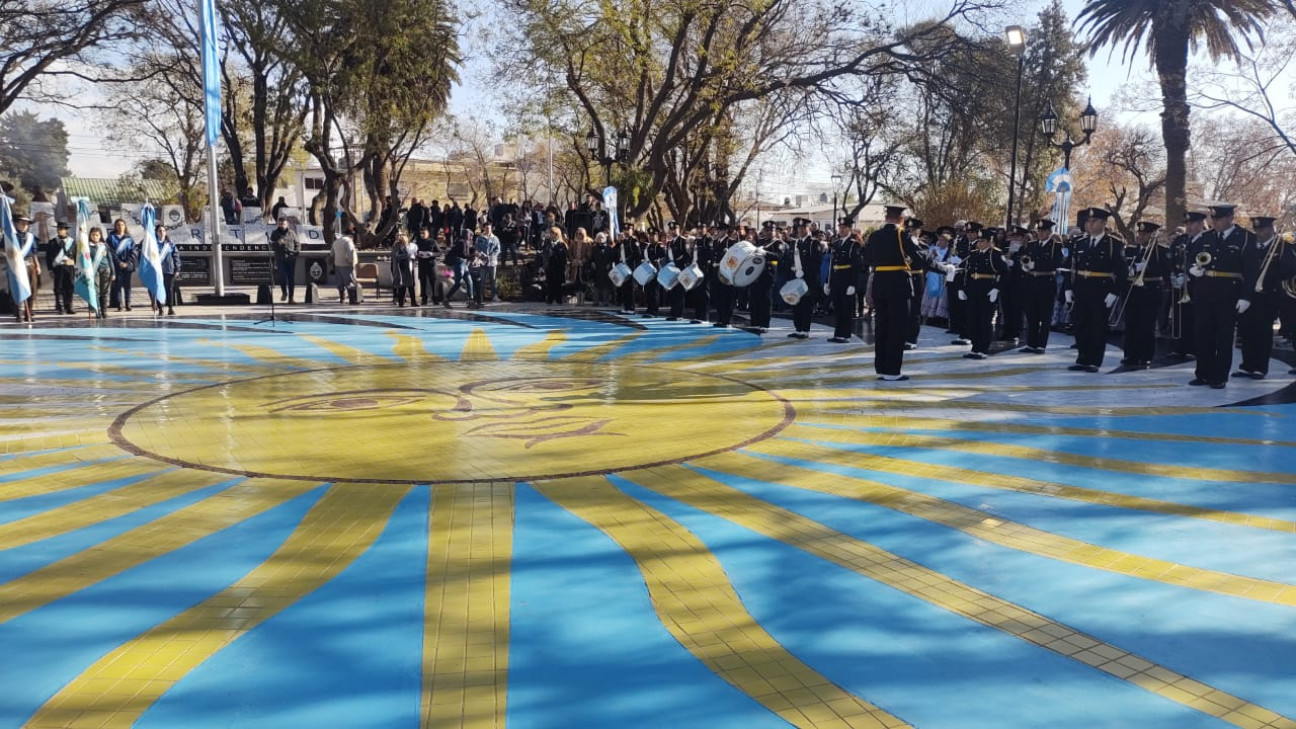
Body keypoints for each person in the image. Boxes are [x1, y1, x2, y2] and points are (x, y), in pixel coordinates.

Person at [1186, 204, 1251, 388]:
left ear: (1230, 218)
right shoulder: (1206, 237)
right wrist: (1192, 269)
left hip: (1229, 293)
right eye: (1213, 219)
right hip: (1205, 291)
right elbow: (1191, 256)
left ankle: (1220, 376)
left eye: (1219, 219)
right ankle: (1203, 373)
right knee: (1203, 334)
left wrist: (1246, 296)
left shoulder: (1244, 238)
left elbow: (1251, 270)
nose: (1216, 222)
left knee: (1223, 336)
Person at [1065, 207, 1127, 373]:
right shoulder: (1079, 243)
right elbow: (1072, 267)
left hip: (1101, 290)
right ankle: (1082, 358)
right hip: (1081, 288)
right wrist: (1068, 288)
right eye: (1087, 221)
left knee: (1097, 326)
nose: (1089, 224)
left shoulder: (1114, 244)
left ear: (1103, 223)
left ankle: (1094, 360)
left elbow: (1122, 271)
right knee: (1080, 324)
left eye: (1093, 221)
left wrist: (1114, 292)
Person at [865, 206, 922, 380]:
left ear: (886, 217)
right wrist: (945, 268)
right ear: (901, 219)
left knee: (882, 327)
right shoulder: (902, 235)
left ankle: (881, 368)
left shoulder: (874, 236)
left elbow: (866, 257)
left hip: (880, 284)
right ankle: (892, 371)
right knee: (896, 329)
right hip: (898, 285)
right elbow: (919, 257)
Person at [1236, 216, 1292, 379]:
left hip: (1268, 294)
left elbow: (1290, 268)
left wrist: (1268, 277)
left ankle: (1260, 367)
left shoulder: (1282, 246)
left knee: (1262, 331)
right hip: (1248, 294)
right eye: (1257, 230)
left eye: (1262, 229)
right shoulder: (1250, 245)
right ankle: (1247, 365)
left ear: (1271, 229)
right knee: (1246, 330)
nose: (1259, 233)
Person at [1120, 221, 1171, 368]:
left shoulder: (1160, 251)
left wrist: (1149, 267)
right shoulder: (1131, 250)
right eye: (1139, 233)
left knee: (1146, 326)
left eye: (1144, 234)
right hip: (1132, 291)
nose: (1141, 236)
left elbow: (1166, 270)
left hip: (1150, 291)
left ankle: (1146, 356)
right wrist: (1128, 270)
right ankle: (1130, 354)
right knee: (1131, 325)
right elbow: (1123, 266)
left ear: (1152, 235)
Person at [957, 229, 1007, 359]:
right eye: (978, 241)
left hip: (987, 289)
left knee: (985, 320)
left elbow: (1005, 273)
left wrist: (997, 288)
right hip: (973, 288)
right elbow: (967, 273)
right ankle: (975, 347)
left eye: (982, 241)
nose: (979, 243)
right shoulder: (973, 254)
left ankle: (983, 349)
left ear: (990, 241)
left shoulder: (996, 254)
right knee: (972, 319)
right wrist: (963, 288)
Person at [1019, 220, 1066, 354]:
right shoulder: (1032, 244)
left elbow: (1056, 263)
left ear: (1050, 232)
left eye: (1043, 230)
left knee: (1045, 315)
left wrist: (1036, 265)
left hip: (1046, 281)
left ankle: (1041, 345)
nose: (1040, 233)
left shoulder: (1055, 246)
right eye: (1039, 230)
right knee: (1031, 314)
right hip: (1031, 282)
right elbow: (1024, 257)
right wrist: (1025, 264)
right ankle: (1031, 343)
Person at [1169, 211, 1207, 360]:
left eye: (1192, 224)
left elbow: (1204, 263)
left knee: (1195, 318)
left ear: (1200, 224)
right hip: (1180, 284)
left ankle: (1194, 349)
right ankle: (1179, 348)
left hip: (1197, 286)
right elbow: (1173, 257)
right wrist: (1174, 274)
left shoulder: (1206, 240)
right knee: (1180, 317)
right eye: (1187, 224)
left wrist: (1188, 277)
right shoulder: (1181, 240)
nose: (1189, 227)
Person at [784, 218, 825, 339]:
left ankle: (805, 330)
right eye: (799, 228)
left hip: (808, 280)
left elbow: (817, 262)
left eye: (803, 228)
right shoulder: (795, 243)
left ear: (808, 229)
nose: (801, 230)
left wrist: (804, 272)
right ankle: (798, 328)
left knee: (806, 305)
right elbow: (790, 260)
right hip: (796, 278)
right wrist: (792, 271)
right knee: (796, 304)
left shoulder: (814, 243)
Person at [826, 218, 864, 343]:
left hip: (847, 280)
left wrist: (853, 284)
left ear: (849, 229)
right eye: (840, 227)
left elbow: (857, 266)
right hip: (836, 279)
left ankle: (846, 334)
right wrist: (828, 281)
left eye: (844, 228)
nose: (841, 230)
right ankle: (838, 333)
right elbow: (832, 264)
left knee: (846, 309)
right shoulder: (836, 243)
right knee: (838, 308)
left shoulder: (854, 244)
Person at [6, 214, 39, 322]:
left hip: (29, 266)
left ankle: (28, 313)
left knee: (32, 289)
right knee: (17, 289)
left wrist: (37, 265)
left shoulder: (30, 237)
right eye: (22, 223)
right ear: (16, 224)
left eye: (27, 224)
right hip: (16, 267)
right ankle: (18, 313)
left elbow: (34, 252)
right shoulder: (10, 236)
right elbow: (3, 248)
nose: (25, 225)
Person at [46, 221, 76, 315]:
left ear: (66, 231)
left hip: (69, 267)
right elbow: (49, 257)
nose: (60, 231)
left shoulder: (72, 242)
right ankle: (60, 306)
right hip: (58, 267)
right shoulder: (52, 242)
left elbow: (76, 255)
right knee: (59, 287)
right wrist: (50, 269)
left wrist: (73, 262)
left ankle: (69, 306)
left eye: (62, 229)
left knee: (70, 286)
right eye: (59, 229)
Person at [85, 227, 114, 318]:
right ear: (90, 235)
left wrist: (113, 273)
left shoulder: (104, 246)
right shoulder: (87, 247)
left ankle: (104, 311)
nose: (95, 237)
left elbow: (110, 259)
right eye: (93, 235)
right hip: (94, 271)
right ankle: (97, 311)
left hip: (105, 269)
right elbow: (85, 260)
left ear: (100, 236)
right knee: (96, 291)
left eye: (97, 235)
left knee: (104, 291)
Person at [269, 217, 301, 303]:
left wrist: (296, 252)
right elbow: (271, 245)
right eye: (280, 224)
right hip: (280, 259)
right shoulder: (274, 233)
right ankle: (284, 292)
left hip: (291, 259)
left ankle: (291, 298)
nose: (282, 225)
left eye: (283, 224)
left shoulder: (292, 233)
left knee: (291, 279)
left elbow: (297, 244)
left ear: (287, 224)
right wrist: (277, 243)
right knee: (282, 277)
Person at [107, 218, 136, 311]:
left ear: (125, 226)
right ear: (115, 226)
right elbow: (110, 252)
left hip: (128, 266)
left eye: (122, 225)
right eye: (118, 225)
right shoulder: (111, 238)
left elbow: (134, 252)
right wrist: (119, 262)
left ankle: (128, 303)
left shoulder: (129, 239)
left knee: (127, 286)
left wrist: (127, 263)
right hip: (116, 265)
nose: (120, 226)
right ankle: (119, 304)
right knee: (118, 285)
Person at [443, 229, 475, 308]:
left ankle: (470, 300)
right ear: (467, 235)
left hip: (462, 263)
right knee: (459, 282)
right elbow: (463, 254)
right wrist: (473, 256)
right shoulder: (462, 242)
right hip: (459, 262)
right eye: (470, 235)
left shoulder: (465, 242)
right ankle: (446, 298)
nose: (471, 237)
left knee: (469, 281)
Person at [154, 225, 181, 316]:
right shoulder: (153, 244)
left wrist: (177, 268)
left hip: (169, 270)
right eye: (159, 231)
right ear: (156, 232)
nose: (161, 233)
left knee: (169, 289)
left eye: (163, 231)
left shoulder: (170, 244)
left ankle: (170, 308)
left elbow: (176, 256)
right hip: (157, 271)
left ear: (165, 232)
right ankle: (160, 308)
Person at [665, 223, 690, 321]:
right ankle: (673, 313)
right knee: (673, 292)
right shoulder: (670, 243)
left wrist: (678, 261)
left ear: (679, 229)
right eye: (671, 229)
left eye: (675, 229)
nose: (673, 231)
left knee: (679, 292)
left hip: (680, 270)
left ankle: (679, 314)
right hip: (672, 271)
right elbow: (668, 256)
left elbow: (687, 255)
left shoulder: (683, 241)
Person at [475, 223, 502, 302]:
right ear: (484, 228)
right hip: (482, 262)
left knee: (493, 280)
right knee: (482, 280)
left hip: (492, 262)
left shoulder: (495, 238)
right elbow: (476, 249)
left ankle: (494, 296)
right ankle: (480, 297)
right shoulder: (479, 238)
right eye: (486, 228)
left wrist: (491, 256)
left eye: (489, 228)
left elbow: (498, 249)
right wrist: (482, 255)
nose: (488, 230)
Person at [390, 232, 417, 306]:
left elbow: (413, 254)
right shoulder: (397, 245)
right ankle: (401, 302)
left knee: (411, 285)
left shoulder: (409, 246)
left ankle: (413, 301)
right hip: (402, 268)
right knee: (403, 286)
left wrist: (414, 255)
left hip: (410, 267)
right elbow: (396, 256)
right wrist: (407, 255)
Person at [415, 226, 441, 305]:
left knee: (433, 281)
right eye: (421, 233)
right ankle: (424, 298)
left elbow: (439, 253)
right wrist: (418, 254)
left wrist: (432, 254)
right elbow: (415, 253)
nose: (422, 235)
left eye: (424, 233)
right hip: (422, 264)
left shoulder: (433, 242)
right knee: (422, 281)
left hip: (431, 264)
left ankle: (435, 298)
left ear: (427, 233)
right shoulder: (418, 242)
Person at [331, 232, 358, 304]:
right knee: (350, 282)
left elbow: (332, 254)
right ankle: (352, 300)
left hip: (337, 264)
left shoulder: (335, 242)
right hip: (347, 265)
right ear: (351, 236)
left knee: (340, 283)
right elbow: (350, 252)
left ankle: (342, 299)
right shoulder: (348, 241)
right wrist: (351, 262)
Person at [545, 226, 570, 305]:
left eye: (555, 234)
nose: (552, 235)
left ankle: (558, 299)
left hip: (558, 267)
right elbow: (543, 254)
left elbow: (564, 256)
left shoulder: (562, 244)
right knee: (549, 283)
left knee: (558, 284)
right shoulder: (547, 243)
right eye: (551, 233)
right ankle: (550, 299)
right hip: (549, 267)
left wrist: (556, 251)